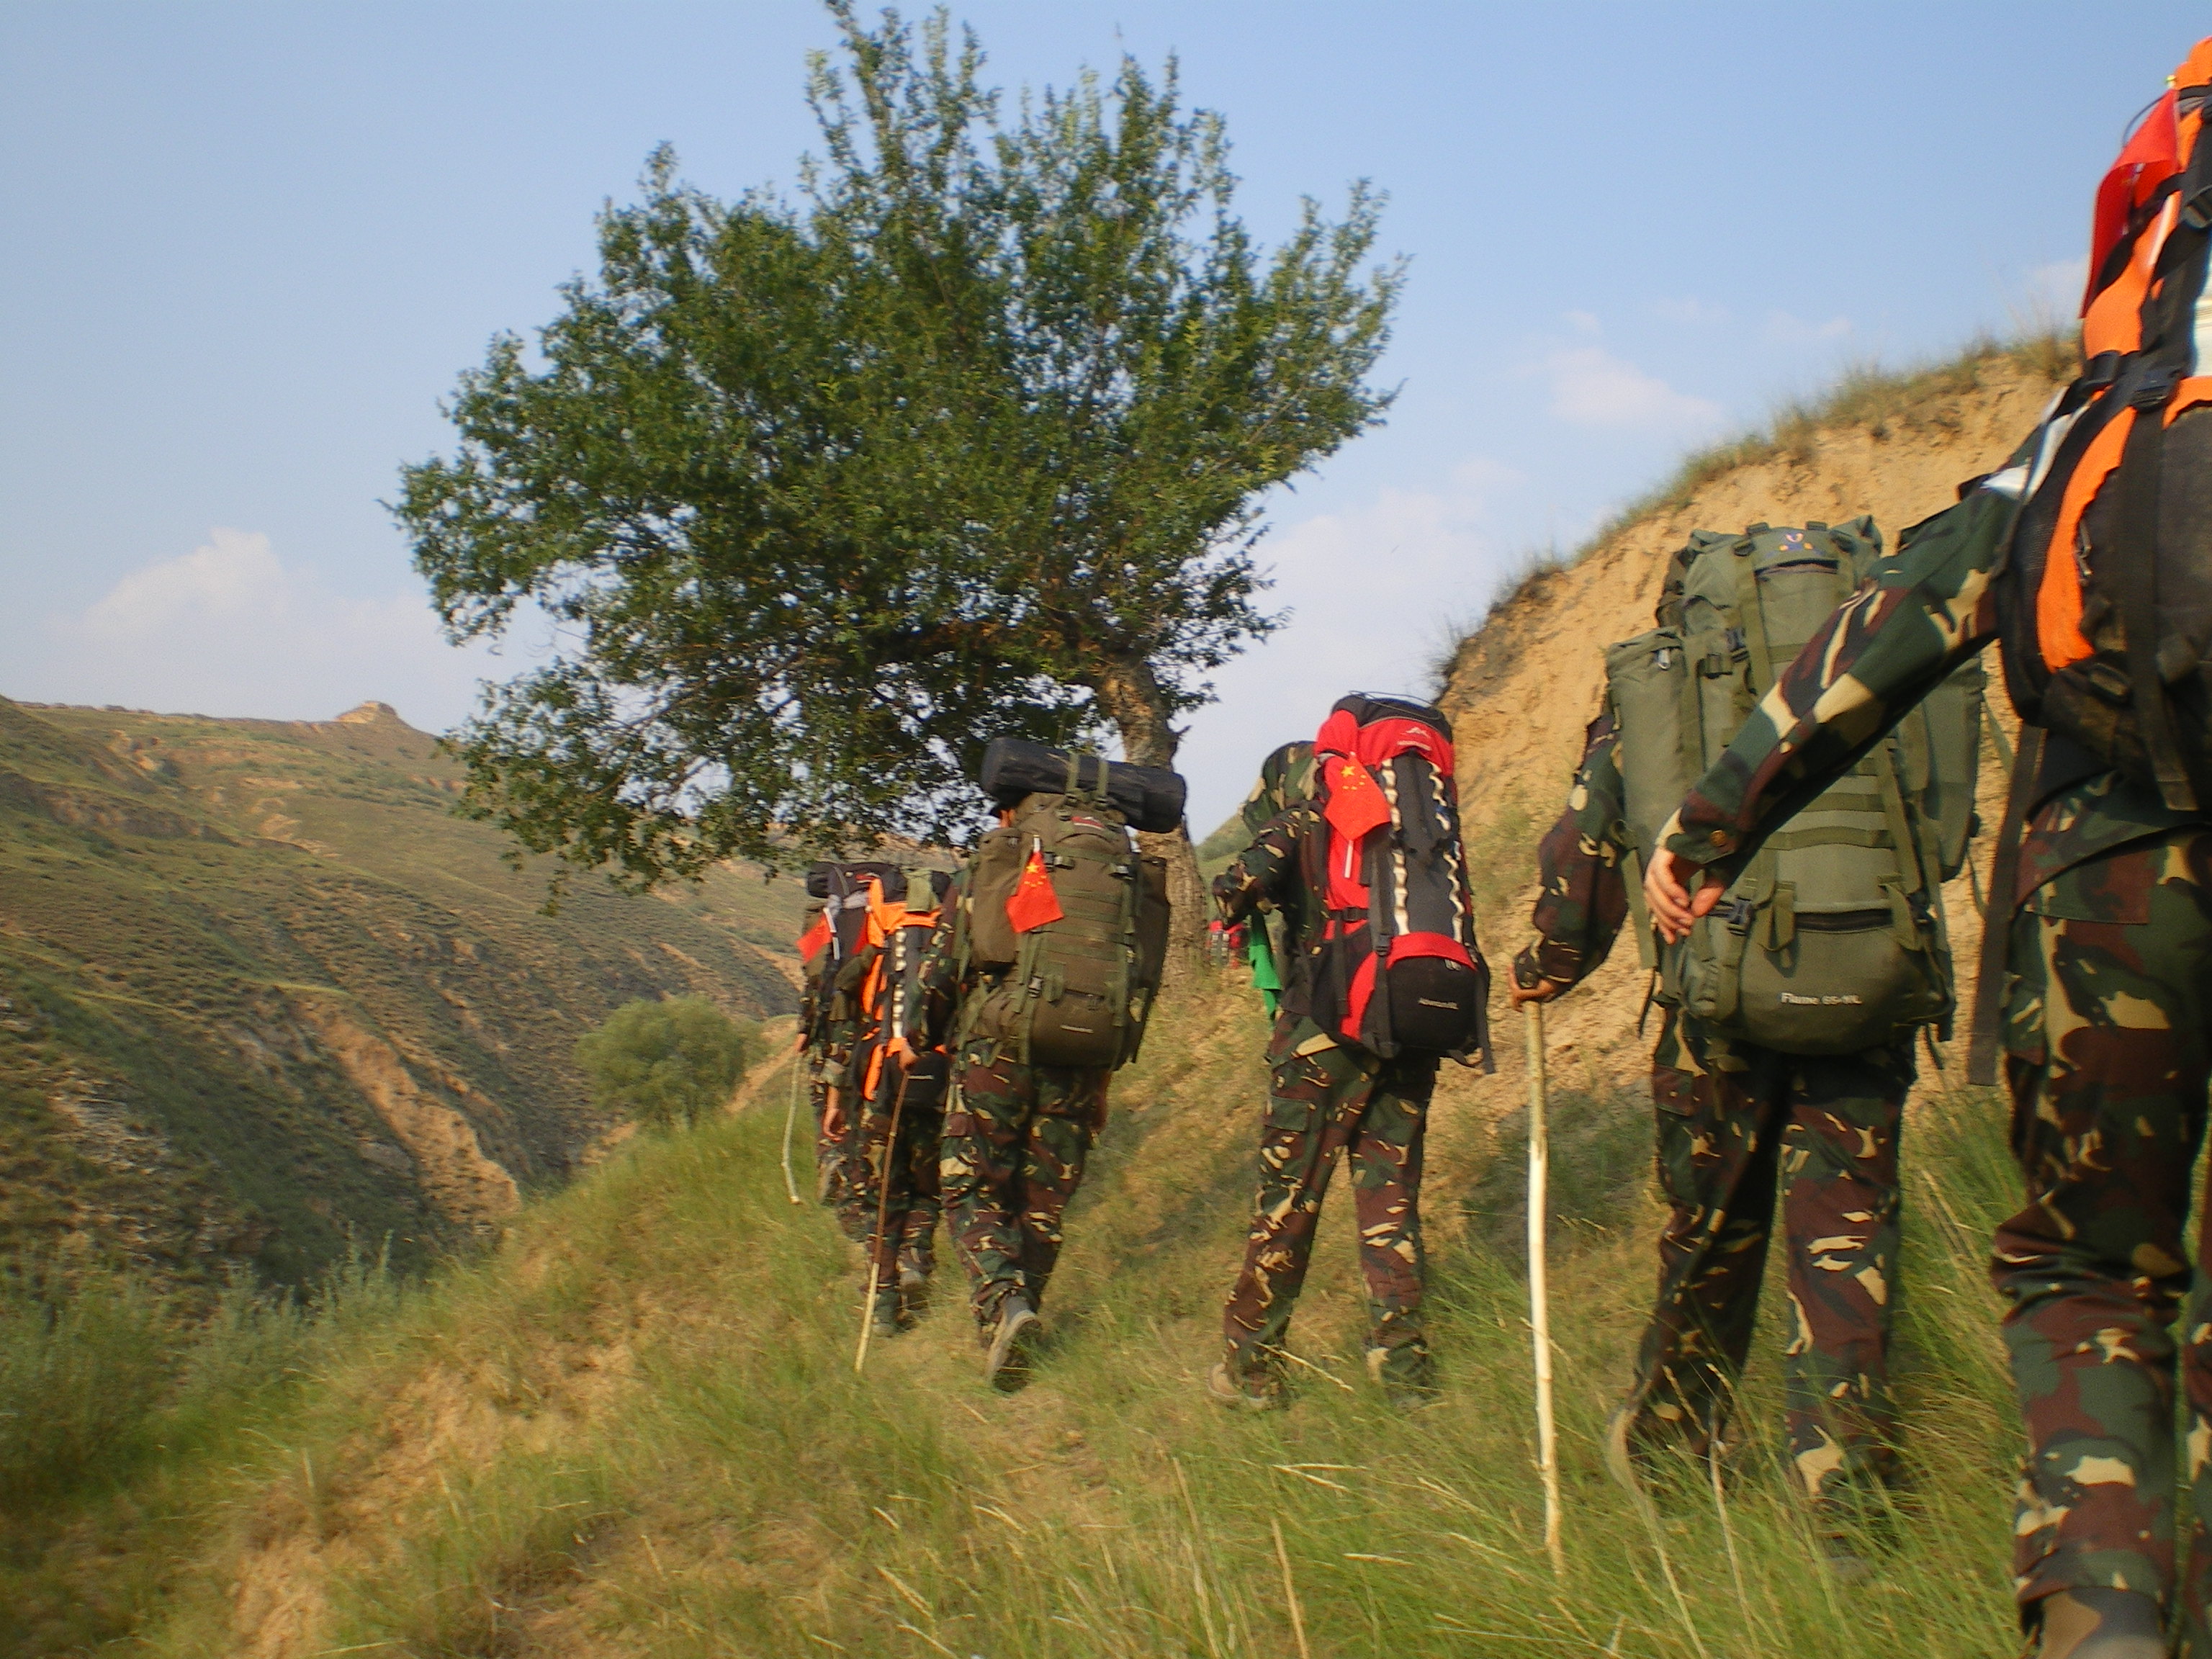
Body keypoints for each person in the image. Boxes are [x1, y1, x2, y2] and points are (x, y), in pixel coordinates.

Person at [1640, 40, 2211, 1656]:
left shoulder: (2109, 402)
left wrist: (1714, 813)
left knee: (2099, 1275)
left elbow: (1909, 616)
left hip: (2117, 850)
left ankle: (2107, 1626)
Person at [1508, 523, 1969, 1575]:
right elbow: (1944, 832)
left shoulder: (1664, 691)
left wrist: (1548, 963)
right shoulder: (1875, 667)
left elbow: (1588, 846)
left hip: (1718, 1014)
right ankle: (1844, 1498)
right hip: (1870, 980)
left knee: (1714, 1233)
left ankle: (1676, 1447)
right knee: (1847, 1239)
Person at [1209, 696, 1488, 1412]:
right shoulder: (1412, 817)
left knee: (1288, 1201)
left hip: (1323, 1034)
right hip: (1407, 1016)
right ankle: (1403, 1369)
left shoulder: (1307, 812)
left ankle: (1251, 1367)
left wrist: (1251, 895)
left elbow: (1234, 886)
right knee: (1391, 1198)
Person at [904, 822, 1114, 1390]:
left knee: (971, 1184)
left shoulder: (996, 865)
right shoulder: (1109, 874)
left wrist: (918, 1035)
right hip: (1077, 1055)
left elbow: (943, 966)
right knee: (1043, 1197)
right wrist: (1100, 1082)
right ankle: (1024, 1312)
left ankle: (1004, 1306)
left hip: (994, 1053)